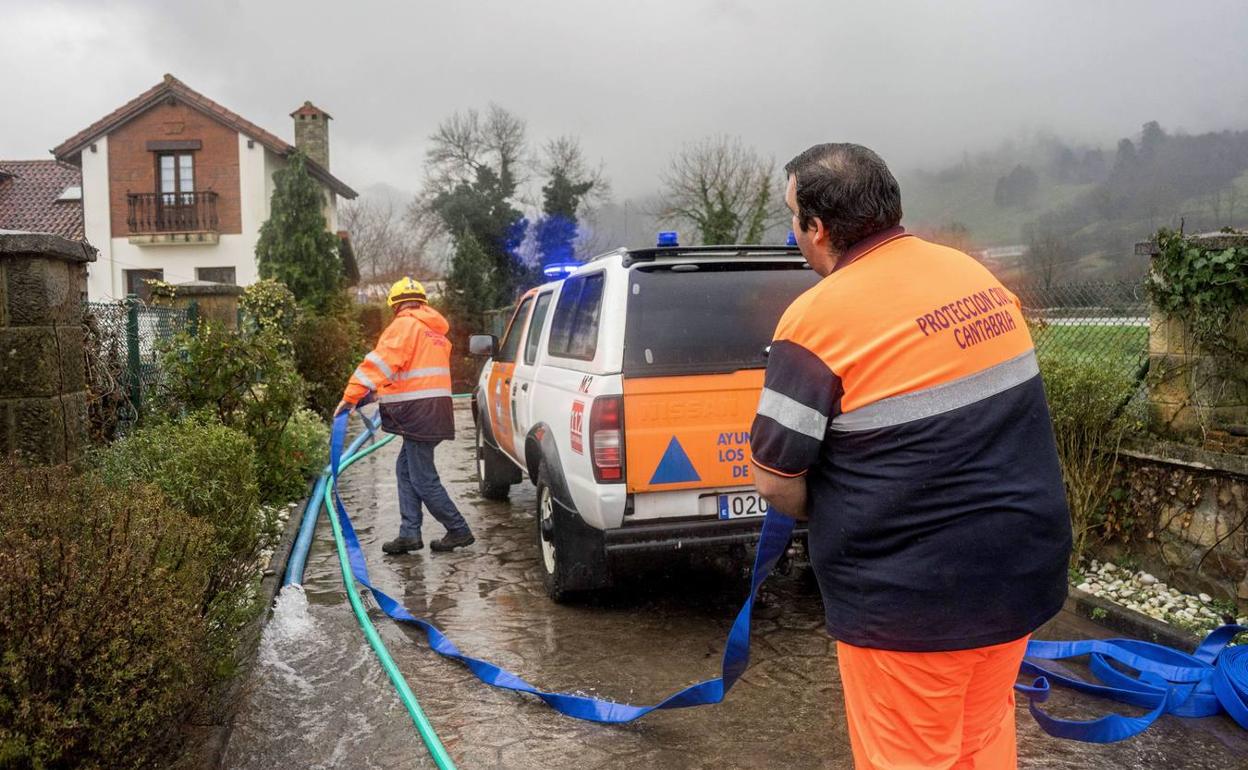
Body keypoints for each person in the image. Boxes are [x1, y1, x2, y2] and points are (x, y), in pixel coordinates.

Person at [750, 143, 1071, 769]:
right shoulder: (973, 277)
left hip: (912, 607)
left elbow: (774, 477)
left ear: (816, 229)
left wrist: (837, 507)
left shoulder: (815, 321)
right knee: (980, 744)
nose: (793, 231)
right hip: (1020, 575)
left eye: (793, 217)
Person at [336, 277, 475, 554]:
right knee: (405, 469)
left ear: (395, 305)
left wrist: (350, 397)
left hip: (418, 413)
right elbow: (410, 375)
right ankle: (409, 533)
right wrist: (376, 394)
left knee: (422, 477)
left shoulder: (403, 326)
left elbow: (377, 365)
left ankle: (458, 529)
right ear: (423, 303)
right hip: (434, 410)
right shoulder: (433, 333)